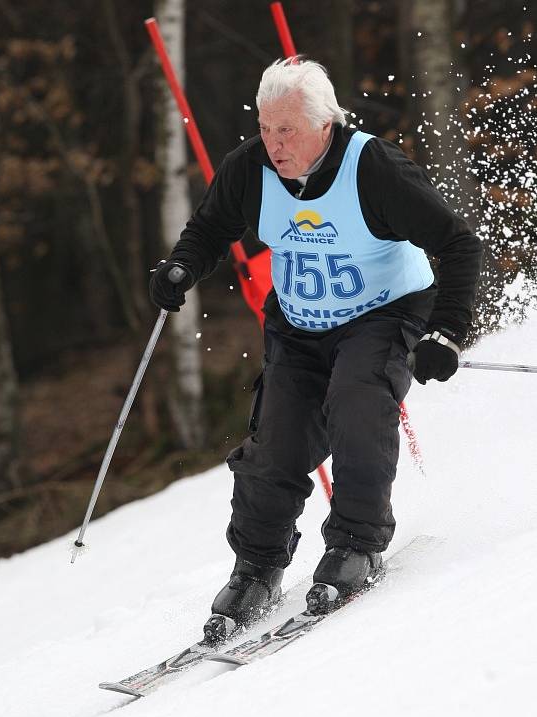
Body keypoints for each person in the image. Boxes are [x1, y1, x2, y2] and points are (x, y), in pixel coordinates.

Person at [150, 58, 482, 639]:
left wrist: (446, 331)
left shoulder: (373, 168)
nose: (274, 143)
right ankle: (258, 566)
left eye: (288, 130)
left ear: (324, 126)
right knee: (273, 443)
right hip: (299, 327)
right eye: (267, 128)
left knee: (357, 400)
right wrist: (180, 268)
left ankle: (356, 544)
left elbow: (458, 244)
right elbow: (209, 229)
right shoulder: (248, 169)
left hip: (383, 313)